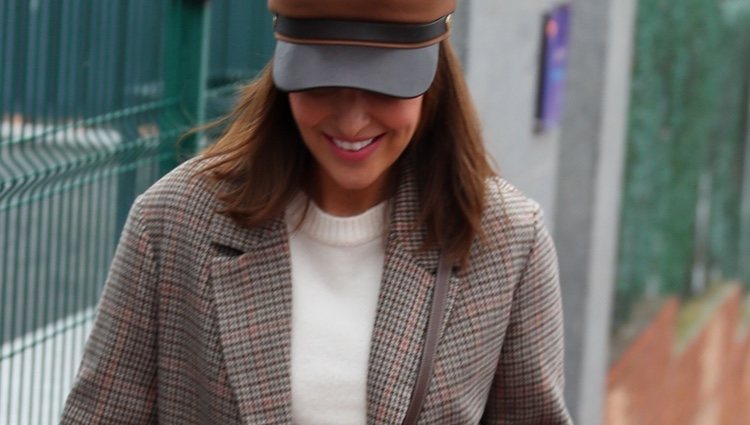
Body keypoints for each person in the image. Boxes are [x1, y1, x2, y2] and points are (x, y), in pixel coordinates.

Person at [61, 0, 572, 423]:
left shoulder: (506, 238)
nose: (351, 119)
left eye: (384, 85)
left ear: (433, 73)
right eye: (322, 83)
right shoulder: (175, 221)